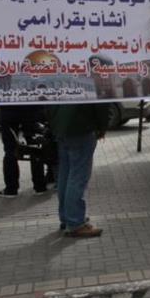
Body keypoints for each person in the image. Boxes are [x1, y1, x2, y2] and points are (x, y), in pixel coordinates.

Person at [49, 102, 110, 238]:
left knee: (65, 175)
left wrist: (56, 126)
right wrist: (102, 127)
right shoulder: (88, 86)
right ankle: (75, 222)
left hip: (62, 129)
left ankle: (67, 217)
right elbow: (101, 104)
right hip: (81, 128)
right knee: (78, 177)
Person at [0, 105, 49, 198]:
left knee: (10, 150)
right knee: (35, 147)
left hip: (9, 110)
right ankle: (40, 186)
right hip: (32, 109)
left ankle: (11, 189)